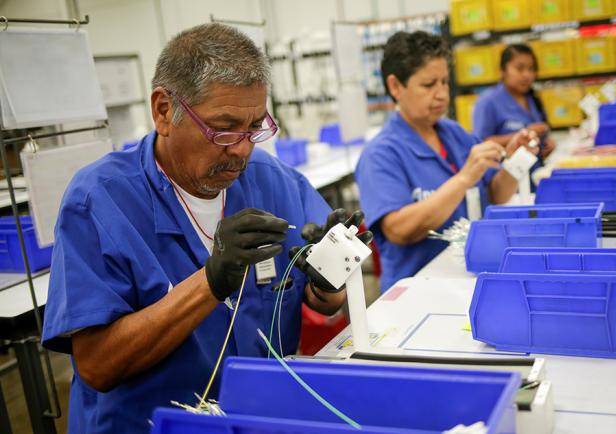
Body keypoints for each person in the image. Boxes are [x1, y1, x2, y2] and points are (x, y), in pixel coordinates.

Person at [41, 23, 370, 434]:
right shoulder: (100, 202)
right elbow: (97, 365)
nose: (243, 149)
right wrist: (210, 282)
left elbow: (323, 303)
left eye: (254, 128)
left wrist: (329, 273)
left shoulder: (273, 182)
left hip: (258, 417)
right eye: (225, 128)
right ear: (163, 110)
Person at [355, 31, 537, 292]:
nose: (441, 94)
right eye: (429, 85)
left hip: (465, 278)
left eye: (444, 82)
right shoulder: (381, 154)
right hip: (417, 290)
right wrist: (463, 179)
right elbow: (399, 230)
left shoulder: (454, 134)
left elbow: (495, 193)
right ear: (395, 87)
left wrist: (516, 162)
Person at [472, 44, 556, 161]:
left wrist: (547, 145)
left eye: (531, 69)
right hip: (504, 174)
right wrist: (524, 135)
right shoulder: (488, 101)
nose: (527, 75)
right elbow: (481, 143)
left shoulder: (533, 98)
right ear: (502, 70)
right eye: (519, 68)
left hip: (535, 174)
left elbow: (539, 138)